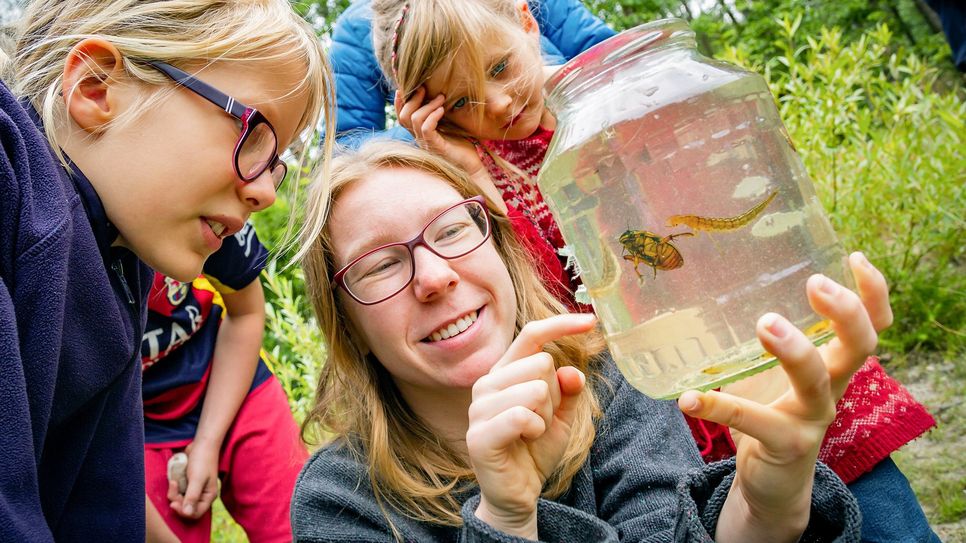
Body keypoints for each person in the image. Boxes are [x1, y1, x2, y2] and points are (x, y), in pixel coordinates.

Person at [371, 2, 941, 540]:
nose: (497, 103)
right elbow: (552, 305)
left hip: (775, 360)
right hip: (676, 412)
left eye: (500, 68)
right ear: (430, 114)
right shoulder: (474, 187)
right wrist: (478, 182)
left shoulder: (632, 96)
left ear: (525, 18)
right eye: (463, 102)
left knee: (884, 522)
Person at [290, 140, 898, 542]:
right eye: (379, 266)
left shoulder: (611, 385)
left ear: (503, 252)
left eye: (452, 231)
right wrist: (505, 517)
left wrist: (769, 496)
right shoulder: (337, 501)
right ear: (349, 328)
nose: (434, 276)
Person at [0, 0, 332, 539]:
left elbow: (102, 512)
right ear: (95, 88)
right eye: (254, 137)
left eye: (277, 163)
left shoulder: (122, 264)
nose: (267, 193)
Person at [141, 223, 307, 542]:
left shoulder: (217, 216)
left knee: (296, 526)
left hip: (228, 378)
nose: (264, 194)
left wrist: (208, 441)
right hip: (131, 421)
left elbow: (246, 313)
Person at [328, 0, 614, 148]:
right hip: (485, 162)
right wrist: (431, 133)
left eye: (500, 67)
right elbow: (346, 148)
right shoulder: (355, 31)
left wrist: (553, 81)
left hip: (579, 129)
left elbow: (607, 54)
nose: (499, 101)